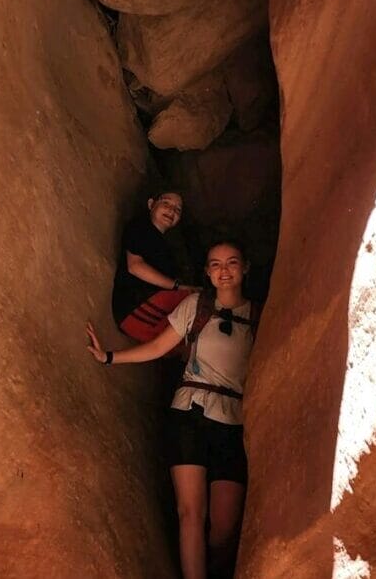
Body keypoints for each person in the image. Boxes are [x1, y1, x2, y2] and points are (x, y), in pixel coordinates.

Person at [88, 241, 257, 579]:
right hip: (190, 413)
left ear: (245, 268)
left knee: (224, 528)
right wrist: (109, 358)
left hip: (234, 421)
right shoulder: (197, 305)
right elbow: (158, 347)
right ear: (207, 273)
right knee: (191, 513)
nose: (224, 270)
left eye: (232, 262)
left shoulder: (259, 314)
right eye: (215, 264)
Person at [111, 189, 198, 343]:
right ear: (151, 204)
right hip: (133, 311)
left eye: (177, 209)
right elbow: (135, 267)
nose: (171, 210)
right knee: (199, 299)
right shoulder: (140, 227)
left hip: (148, 319)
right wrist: (177, 287)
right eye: (166, 203)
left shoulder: (165, 248)